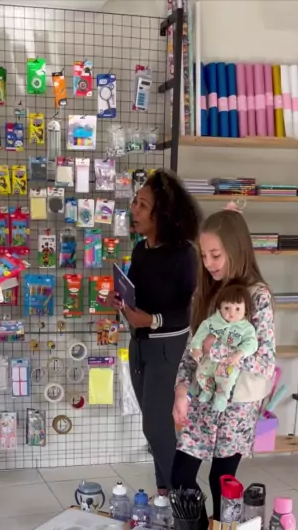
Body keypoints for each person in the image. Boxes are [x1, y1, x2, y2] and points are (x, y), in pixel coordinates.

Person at [172, 209, 276, 530]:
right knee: (180, 477)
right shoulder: (207, 292)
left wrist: (219, 352)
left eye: (215, 255)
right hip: (203, 398)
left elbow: (265, 362)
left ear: (236, 249)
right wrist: (180, 389)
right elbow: (192, 350)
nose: (208, 263)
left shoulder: (257, 296)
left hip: (238, 407)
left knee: (223, 481)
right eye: (204, 256)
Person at [112, 170, 200, 494]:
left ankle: (185, 498)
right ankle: (165, 493)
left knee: (157, 427)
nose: (134, 209)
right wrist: (121, 301)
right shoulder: (141, 250)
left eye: (143, 205)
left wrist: (152, 321)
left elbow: (187, 311)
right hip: (139, 345)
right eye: (135, 202)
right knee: (153, 428)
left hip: (167, 348)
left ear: (161, 214)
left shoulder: (184, 254)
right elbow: (138, 298)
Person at [189, 282, 258, 411]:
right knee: (201, 373)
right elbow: (200, 334)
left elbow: (251, 343)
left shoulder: (246, 328)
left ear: (246, 309)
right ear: (219, 306)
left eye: (237, 309)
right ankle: (208, 390)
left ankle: (221, 397)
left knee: (226, 380)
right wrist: (196, 347)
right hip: (210, 358)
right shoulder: (212, 322)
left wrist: (240, 353)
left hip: (229, 360)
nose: (231, 313)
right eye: (227, 308)